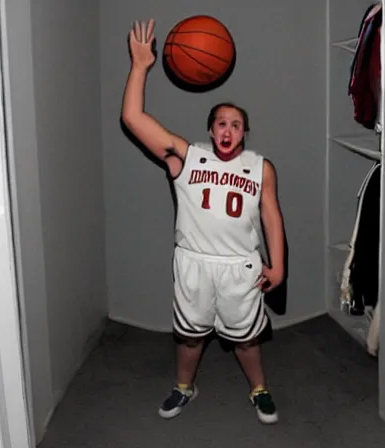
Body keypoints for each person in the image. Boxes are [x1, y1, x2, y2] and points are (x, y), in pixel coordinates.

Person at [121, 19, 285, 424]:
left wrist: (278, 264)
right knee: (190, 336)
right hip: (194, 262)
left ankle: (259, 389)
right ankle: (183, 387)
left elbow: (272, 218)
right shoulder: (186, 156)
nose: (227, 129)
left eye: (235, 124)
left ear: (244, 131)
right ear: (210, 130)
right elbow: (133, 119)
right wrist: (140, 66)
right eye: (220, 123)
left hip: (239, 266)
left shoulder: (260, 167)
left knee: (246, 339)